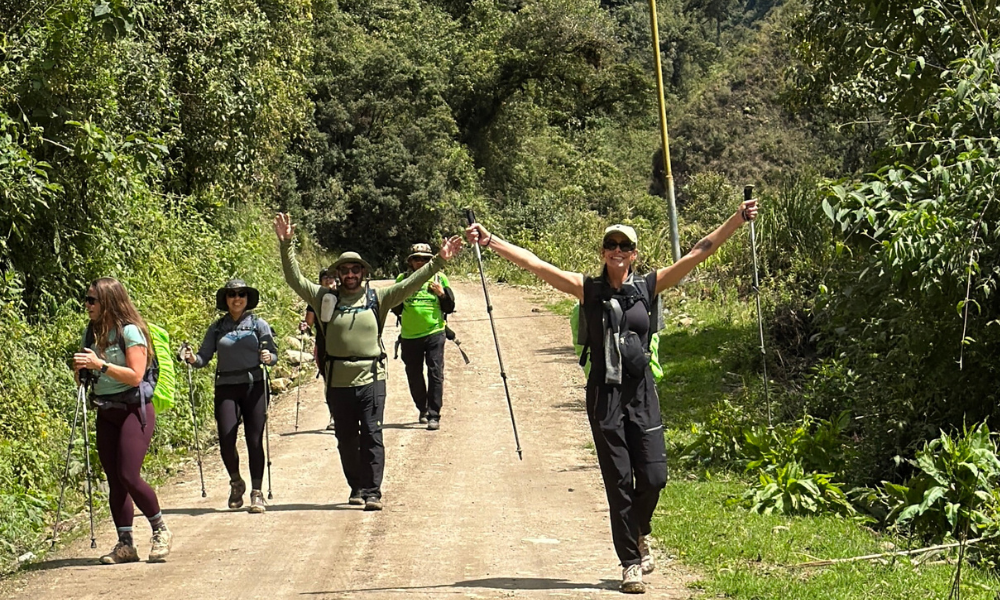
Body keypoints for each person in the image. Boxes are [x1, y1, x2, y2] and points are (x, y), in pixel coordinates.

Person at [465, 198, 758, 594]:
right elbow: (535, 265)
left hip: (642, 392)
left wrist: (737, 219)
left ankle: (640, 528)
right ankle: (630, 563)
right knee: (618, 480)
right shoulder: (588, 289)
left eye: (625, 247)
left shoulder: (648, 286)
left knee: (654, 477)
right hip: (604, 395)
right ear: (603, 252)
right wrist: (491, 241)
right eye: (612, 246)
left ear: (634, 254)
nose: (618, 252)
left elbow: (698, 251)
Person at [274, 213, 463, 511]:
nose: (350, 274)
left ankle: (373, 491)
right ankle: (356, 486)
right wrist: (286, 243)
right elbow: (293, 278)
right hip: (337, 380)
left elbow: (413, 282)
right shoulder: (324, 297)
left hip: (372, 377)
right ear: (338, 273)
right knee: (346, 439)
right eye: (345, 270)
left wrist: (438, 262)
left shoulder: (379, 298)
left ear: (363, 272)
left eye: (355, 269)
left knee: (372, 434)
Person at [73, 277, 172, 564]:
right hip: (106, 411)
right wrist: (81, 372)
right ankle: (125, 543)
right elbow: (86, 374)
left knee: (129, 475)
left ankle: (160, 530)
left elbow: (135, 375)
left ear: (108, 301)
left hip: (134, 410)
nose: (87, 305)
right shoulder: (91, 333)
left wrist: (100, 365)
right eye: (87, 299)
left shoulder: (131, 331)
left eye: (92, 300)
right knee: (115, 481)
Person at [181, 279, 278, 514]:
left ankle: (257, 492)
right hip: (226, 387)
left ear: (247, 298)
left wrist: (268, 358)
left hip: (254, 385)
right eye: (232, 294)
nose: (237, 298)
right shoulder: (216, 328)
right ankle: (236, 482)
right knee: (226, 439)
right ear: (225, 299)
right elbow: (203, 358)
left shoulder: (258, 324)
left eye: (241, 294)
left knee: (255, 440)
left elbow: (273, 355)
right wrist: (192, 358)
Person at [392, 243, 455, 430]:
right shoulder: (402, 279)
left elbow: (450, 307)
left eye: (425, 259)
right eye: (416, 258)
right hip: (410, 336)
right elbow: (395, 308)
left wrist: (441, 294)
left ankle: (434, 414)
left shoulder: (439, 278)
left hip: (434, 332)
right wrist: (403, 294)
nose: (421, 262)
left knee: (435, 373)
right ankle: (423, 409)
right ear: (410, 261)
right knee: (414, 374)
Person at [301, 268, 338, 431]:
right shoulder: (315, 300)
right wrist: (304, 326)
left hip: (344, 345)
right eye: (325, 277)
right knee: (329, 381)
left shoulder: (345, 296)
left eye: (332, 277)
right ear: (320, 281)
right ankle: (334, 416)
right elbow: (308, 322)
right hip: (323, 346)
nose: (329, 280)